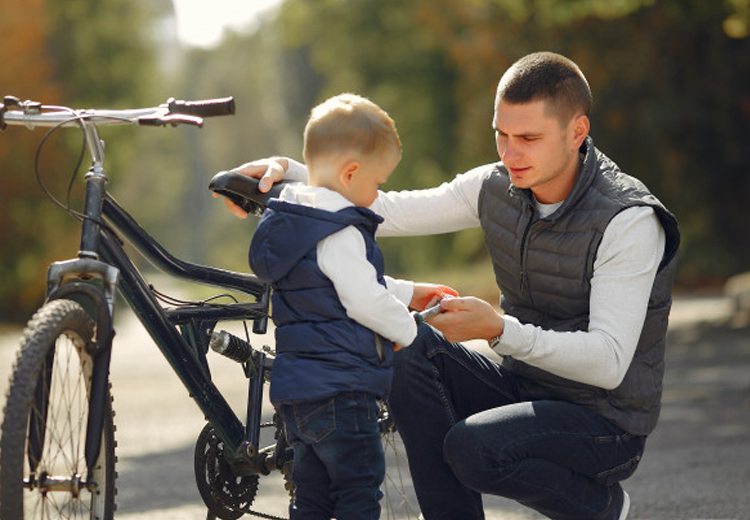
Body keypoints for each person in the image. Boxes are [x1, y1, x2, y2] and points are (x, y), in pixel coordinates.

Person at [225, 52, 680, 520]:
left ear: (577, 132)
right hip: (524, 389)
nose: (509, 153)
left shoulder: (629, 220)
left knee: (472, 448)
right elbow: (386, 208)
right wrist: (291, 173)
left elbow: (607, 363)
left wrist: (499, 330)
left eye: (528, 138)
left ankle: (598, 506)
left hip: (604, 424)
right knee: (401, 343)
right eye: (501, 134)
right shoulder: (494, 185)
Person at [245, 93, 454, 520]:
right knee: (358, 494)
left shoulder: (295, 223)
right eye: (378, 183)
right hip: (342, 394)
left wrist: (410, 291)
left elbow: (341, 285)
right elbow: (362, 298)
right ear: (351, 172)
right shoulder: (339, 230)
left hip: (298, 397)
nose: (378, 194)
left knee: (312, 498)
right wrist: (408, 330)